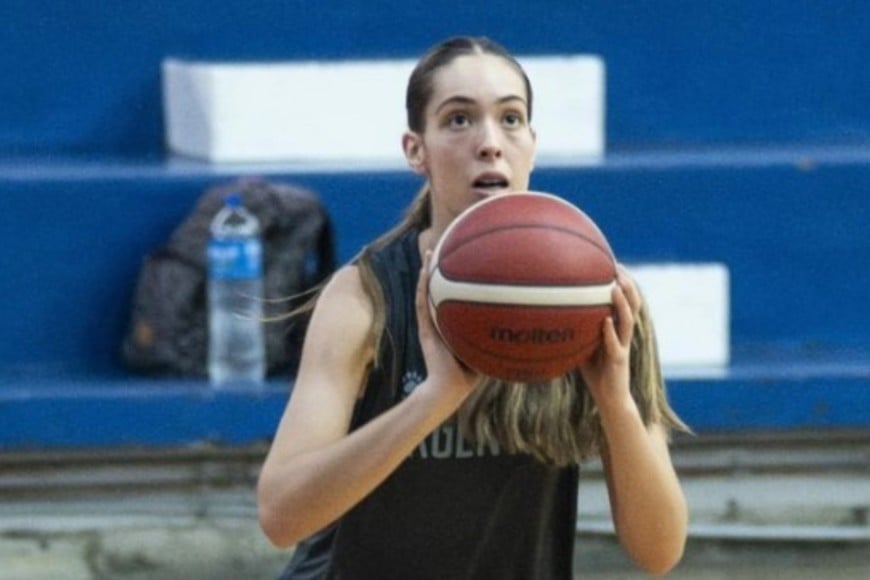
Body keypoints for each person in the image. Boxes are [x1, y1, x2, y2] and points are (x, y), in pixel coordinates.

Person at [258, 36, 689, 579]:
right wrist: (433, 399)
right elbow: (281, 516)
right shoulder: (364, 298)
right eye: (459, 120)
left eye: (510, 119)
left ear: (532, 143)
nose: (489, 143)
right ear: (416, 150)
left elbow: (660, 552)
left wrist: (615, 403)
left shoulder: (595, 301)